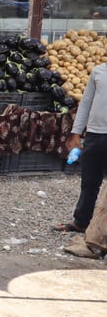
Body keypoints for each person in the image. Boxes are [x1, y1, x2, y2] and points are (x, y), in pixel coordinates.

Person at [55, 63, 107, 234]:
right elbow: (85, 103)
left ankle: (101, 231)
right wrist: (76, 132)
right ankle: (81, 222)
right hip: (94, 133)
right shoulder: (99, 71)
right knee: (89, 182)